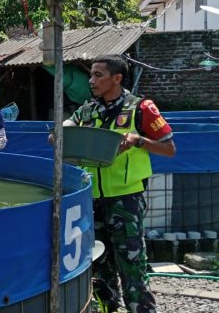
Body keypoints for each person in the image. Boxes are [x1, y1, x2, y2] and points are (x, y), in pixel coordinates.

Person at [64, 55, 176, 313]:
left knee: (132, 266)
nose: (91, 81)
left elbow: (169, 148)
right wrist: (62, 130)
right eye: (91, 75)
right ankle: (108, 308)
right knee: (100, 266)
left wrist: (138, 140)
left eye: (98, 75)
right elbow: (68, 125)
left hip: (126, 201)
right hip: (92, 199)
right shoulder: (89, 109)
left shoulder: (142, 108)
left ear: (117, 78)